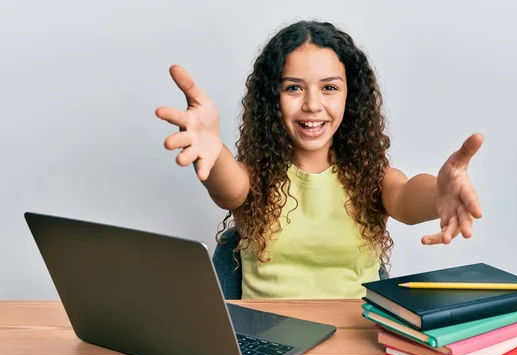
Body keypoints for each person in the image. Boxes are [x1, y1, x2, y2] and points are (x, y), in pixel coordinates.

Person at [155, 20, 483, 299]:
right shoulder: (255, 179)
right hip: (266, 346)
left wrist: (439, 194)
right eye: (294, 88)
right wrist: (214, 151)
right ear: (273, 99)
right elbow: (228, 186)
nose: (313, 105)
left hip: (353, 350)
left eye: (329, 88)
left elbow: (408, 194)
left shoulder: (372, 180)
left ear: (350, 97)